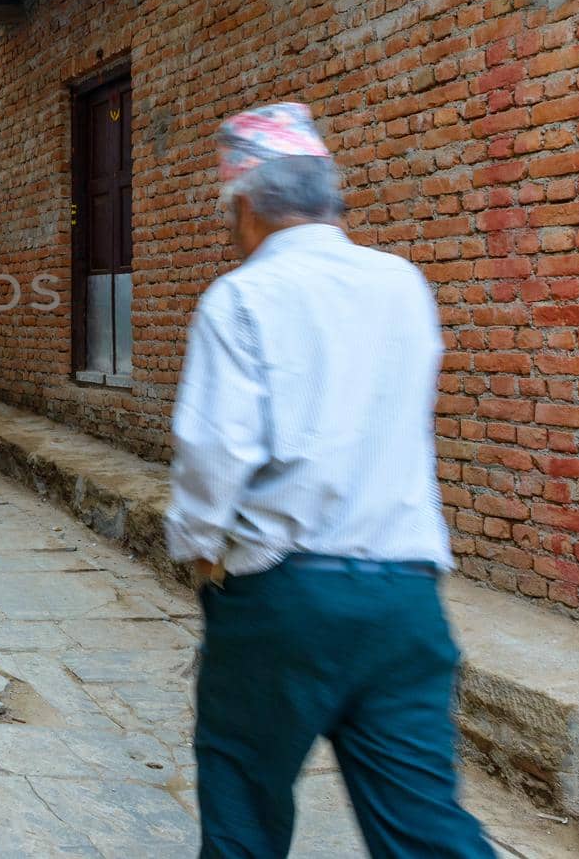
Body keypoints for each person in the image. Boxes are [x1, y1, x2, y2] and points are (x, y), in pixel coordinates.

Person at [166, 102, 491, 858]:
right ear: (327, 198)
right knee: (425, 824)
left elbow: (213, 449)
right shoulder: (401, 284)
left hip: (285, 596)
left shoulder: (241, 297)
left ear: (245, 207)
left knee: (243, 798)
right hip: (404, 597)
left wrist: (197, 544)